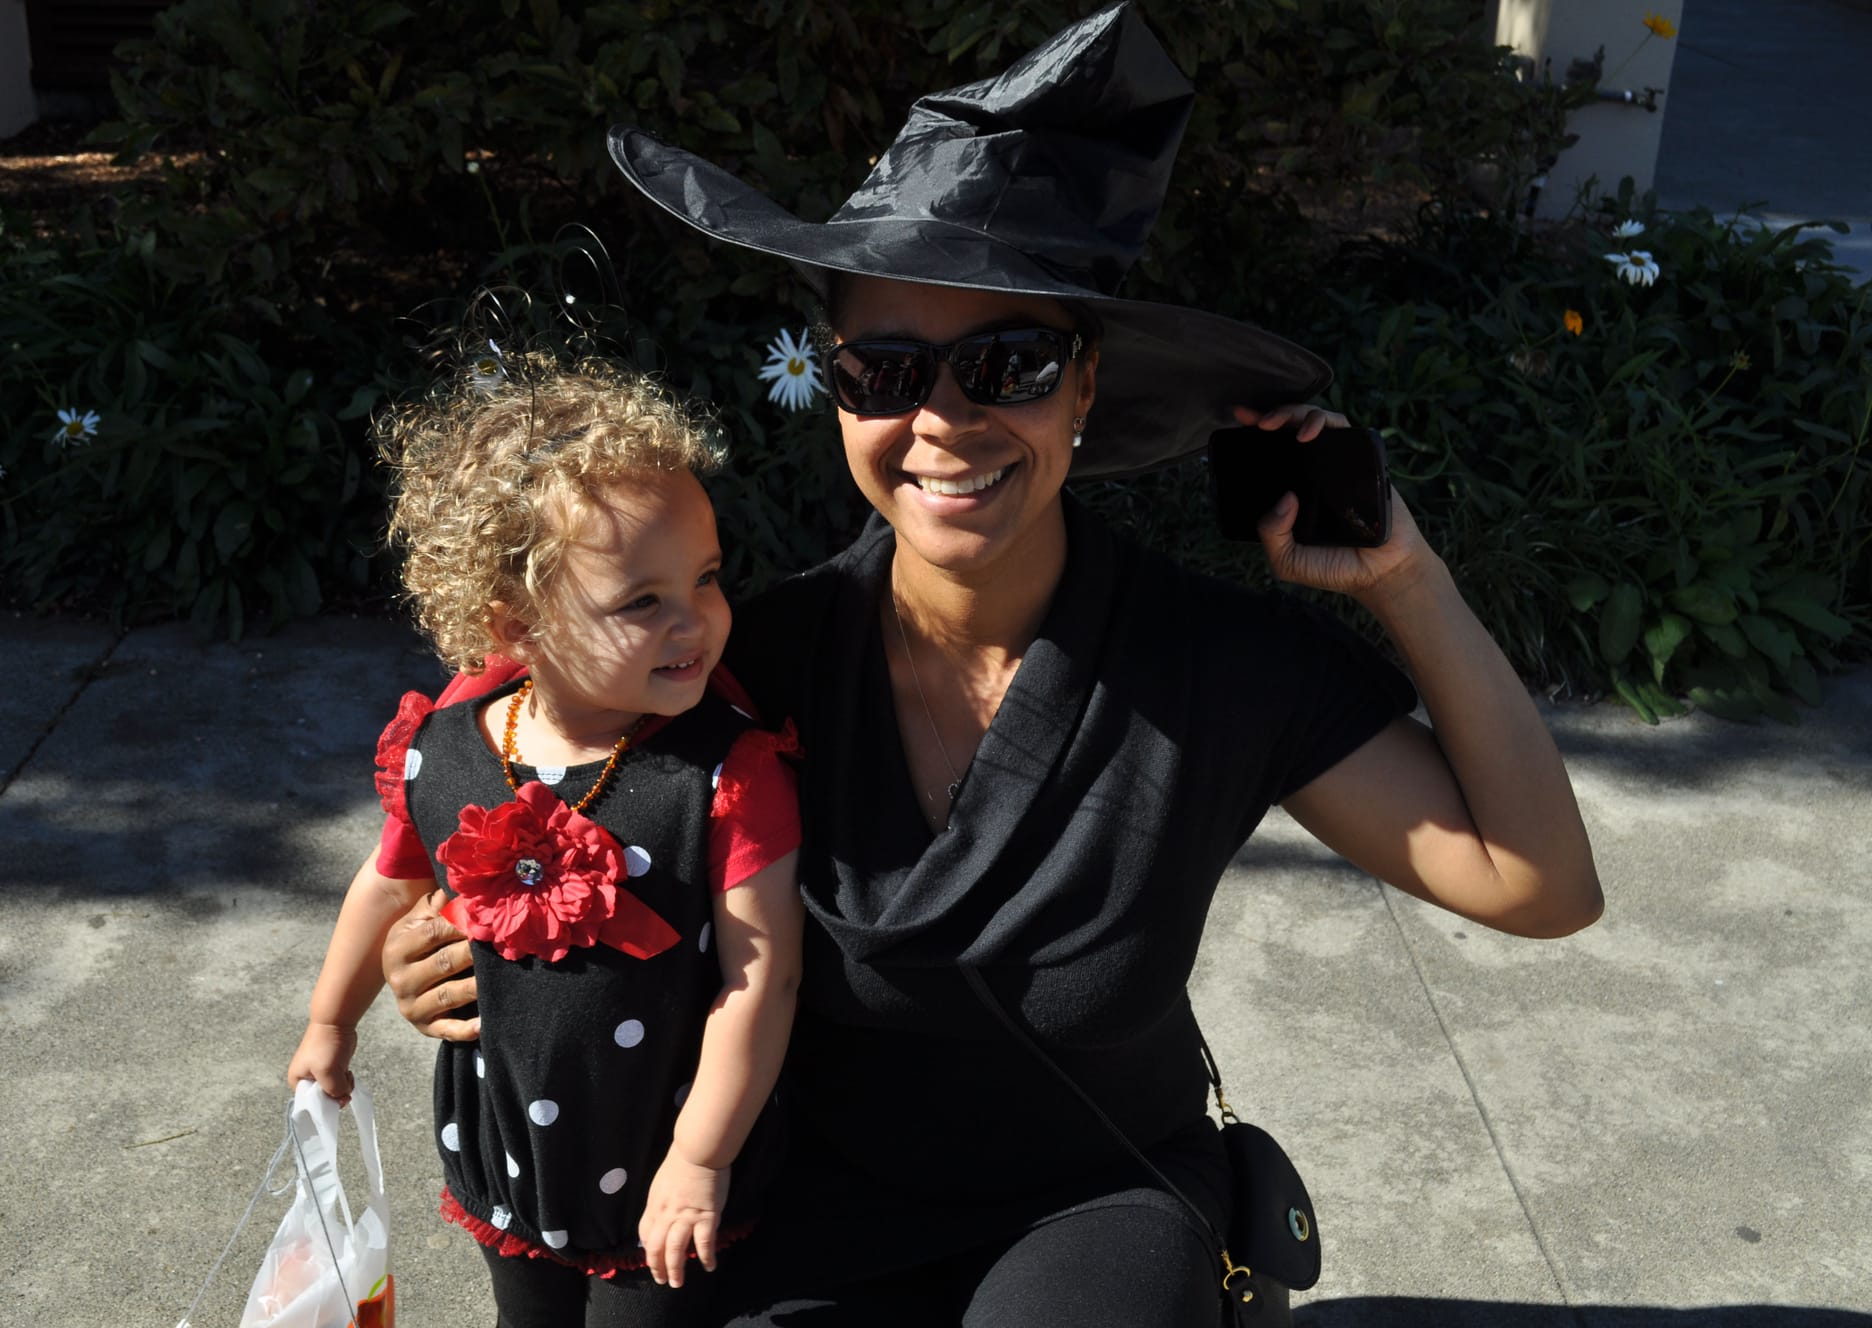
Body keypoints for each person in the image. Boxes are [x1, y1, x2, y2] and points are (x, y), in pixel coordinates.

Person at [378, 5, 1603, 1323]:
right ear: (837, 389)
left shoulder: (1213, 669)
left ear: (1086, 387)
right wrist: (437, 946)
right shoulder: (749, 660)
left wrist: (1405, 581)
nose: (944, 420)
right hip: (794, 1189)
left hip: (1088, 1200)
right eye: (888, 368)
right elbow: (536, 817)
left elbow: (1538, 887)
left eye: (1007, 363)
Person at [285, 350, 804, 1328]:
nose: (694, 619)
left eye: (705, 577)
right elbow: (387, 882)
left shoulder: (725, 773)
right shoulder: (444, 750)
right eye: (640, 600)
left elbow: (760, 977)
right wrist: (328, 1021)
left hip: (665, 1156)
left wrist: (700, 1156)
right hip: (509, 1147)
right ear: (514, 621)